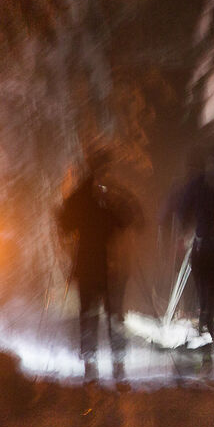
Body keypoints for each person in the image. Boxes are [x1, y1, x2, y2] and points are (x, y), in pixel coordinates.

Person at [56, 145, 142, 384]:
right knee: (114, 317)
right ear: (104, 167)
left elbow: (64, 224)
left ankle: (91, 369)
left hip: (87, 265)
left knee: (89, 315)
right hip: (109, 266)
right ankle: (118, 369)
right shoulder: (110, 193)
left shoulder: (79, 196)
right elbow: (127, 219)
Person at [177, 151, 214, 343]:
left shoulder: (190, 188)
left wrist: (184, 229)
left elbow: (182, 213)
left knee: (200, 281)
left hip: (200, 243)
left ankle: (205, 314)